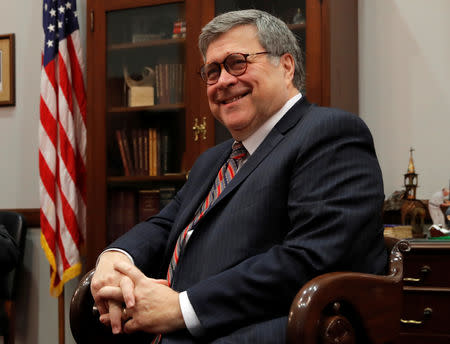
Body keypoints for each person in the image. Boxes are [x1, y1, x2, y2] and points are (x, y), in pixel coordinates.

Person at [91, 9, 387, 343]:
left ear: (286, 66)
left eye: (237, 63)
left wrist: (182, 308)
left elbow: (312, 258)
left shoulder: (329, 134)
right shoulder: (213, 160)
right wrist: (116, 258)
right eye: (212, 71)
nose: (223, 81)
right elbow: (164, 226)